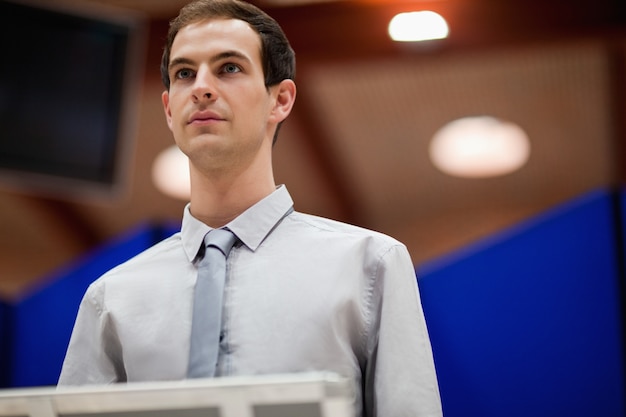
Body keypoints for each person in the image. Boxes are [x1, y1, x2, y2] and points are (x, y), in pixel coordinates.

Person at [58, 1, 443, 416]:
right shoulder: (111, 298)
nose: (202, 87)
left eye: (229, 68)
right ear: (170, 110)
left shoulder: (371, 265)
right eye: (185, 73)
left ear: (280, 100)